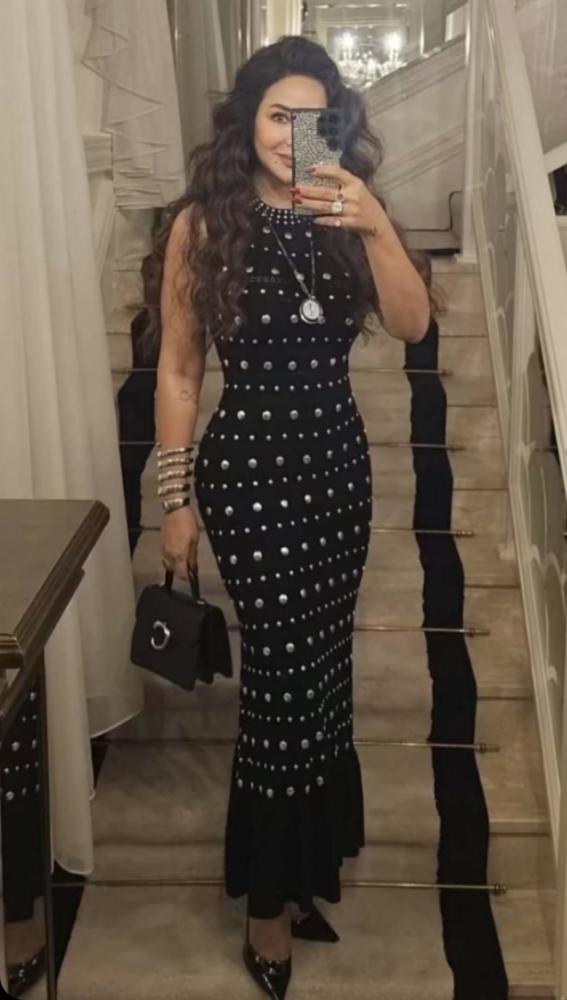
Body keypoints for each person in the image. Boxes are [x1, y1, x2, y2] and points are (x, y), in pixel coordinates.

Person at [151, 35, 437, 1000]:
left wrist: (374, 225)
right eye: (278, 115)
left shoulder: (350, 212)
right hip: (250, 477)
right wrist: (176, 501)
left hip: (335, 474)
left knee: (324, 672)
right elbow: (179, 370)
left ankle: (308, 867)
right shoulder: (204, 224)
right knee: (278, 681)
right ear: (247, 119)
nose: (291, 136)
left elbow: (412, 326)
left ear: (334, 128)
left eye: (313, 119)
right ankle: (267, 905)